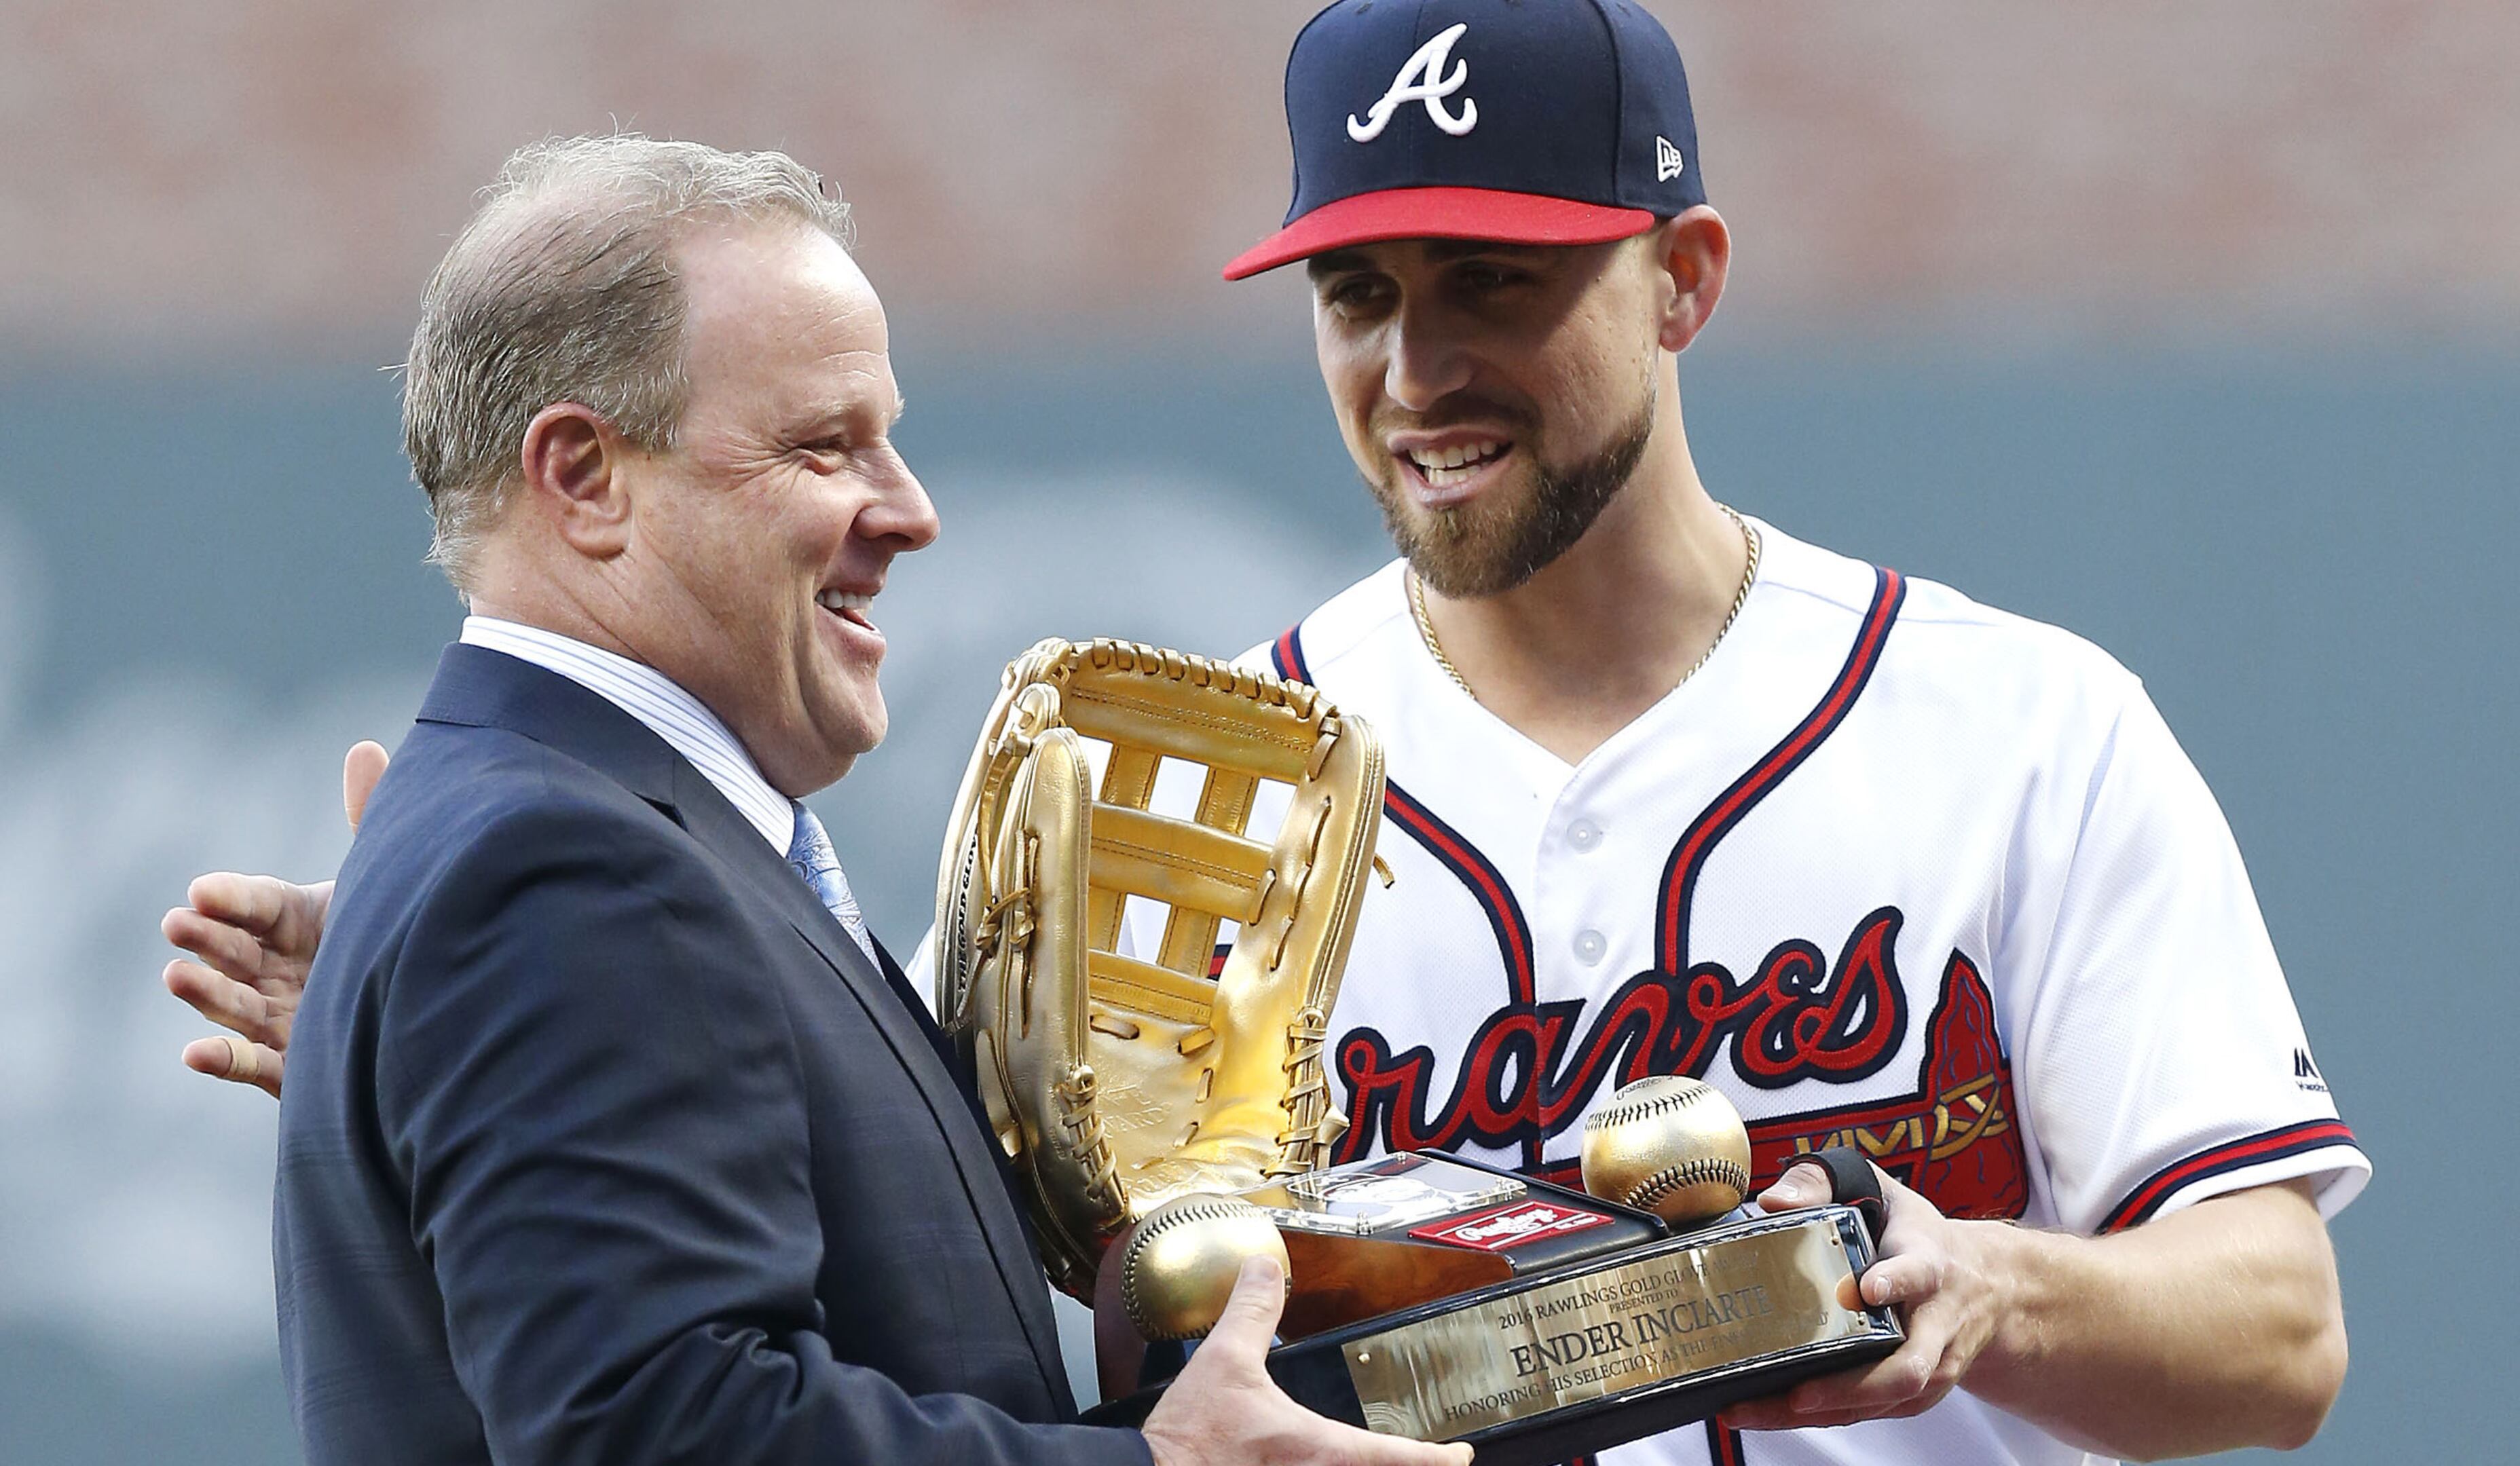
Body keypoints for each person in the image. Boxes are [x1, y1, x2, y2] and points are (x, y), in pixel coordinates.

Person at [170, 7, 2366, 1464]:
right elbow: (906, 1240)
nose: (1416, 366)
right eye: (1359, 295)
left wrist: (2004, 1279)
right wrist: (446, 1022)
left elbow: (2278, 1333)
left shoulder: (2015, 729)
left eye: (1492, 281)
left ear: (1681, 277)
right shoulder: (1208, 800)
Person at [180, 133, 1464, 1466]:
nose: (909, 510)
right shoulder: (567, 874)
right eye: (824, 447)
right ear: (584, 477)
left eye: (887, 442)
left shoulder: (576, 845)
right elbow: (668, 1437)